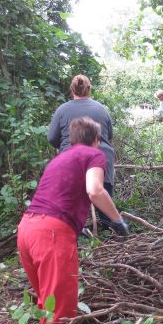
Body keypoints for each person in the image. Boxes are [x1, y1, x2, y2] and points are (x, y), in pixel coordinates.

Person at [18, 117, 130, 324]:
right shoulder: (94, 155)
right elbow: (95, 190)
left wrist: (77, 225)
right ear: (96, 140)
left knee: (48, 304)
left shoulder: (58, 159)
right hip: (51, 235)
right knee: (57, 312)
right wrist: (117, 220)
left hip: (27, 230)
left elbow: (59, 195)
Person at [48, 74, 115, 228]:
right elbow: (109, 136)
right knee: (103, 200)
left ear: (72, 90)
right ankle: (110, 231)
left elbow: (52, 138)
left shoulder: (62, 110)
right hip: (101, 160)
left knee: (71, 204)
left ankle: (77, 232)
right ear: (89, 89)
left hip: (71, 162)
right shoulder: (101, 109)